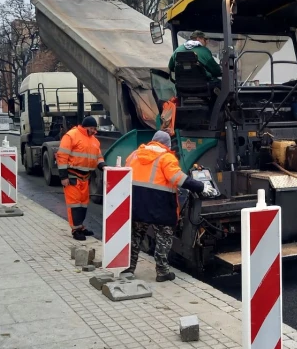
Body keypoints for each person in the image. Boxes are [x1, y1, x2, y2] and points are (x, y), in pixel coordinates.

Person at [124, 131, 218, 281]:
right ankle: (162, 272)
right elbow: (178, 178)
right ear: (167, 144)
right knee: (164, 237)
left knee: (135, 237)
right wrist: (201, 187)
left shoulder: (134, 155)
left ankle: (128, 269)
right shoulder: (166, 157)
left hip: (136, 204)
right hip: (159, 206)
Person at [56, 116, 105, 241]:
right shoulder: (71, 136)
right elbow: (62, 156)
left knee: (83, 204)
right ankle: (76, 230)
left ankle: (80, 227)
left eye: (95, 128)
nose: (94, 131)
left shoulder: (94, 140)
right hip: (72, 176)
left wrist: (102, 165)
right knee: (74, 205)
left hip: (85, 177)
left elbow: (98, 156)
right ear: (86, 127)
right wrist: (63, 176)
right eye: (92, 128)